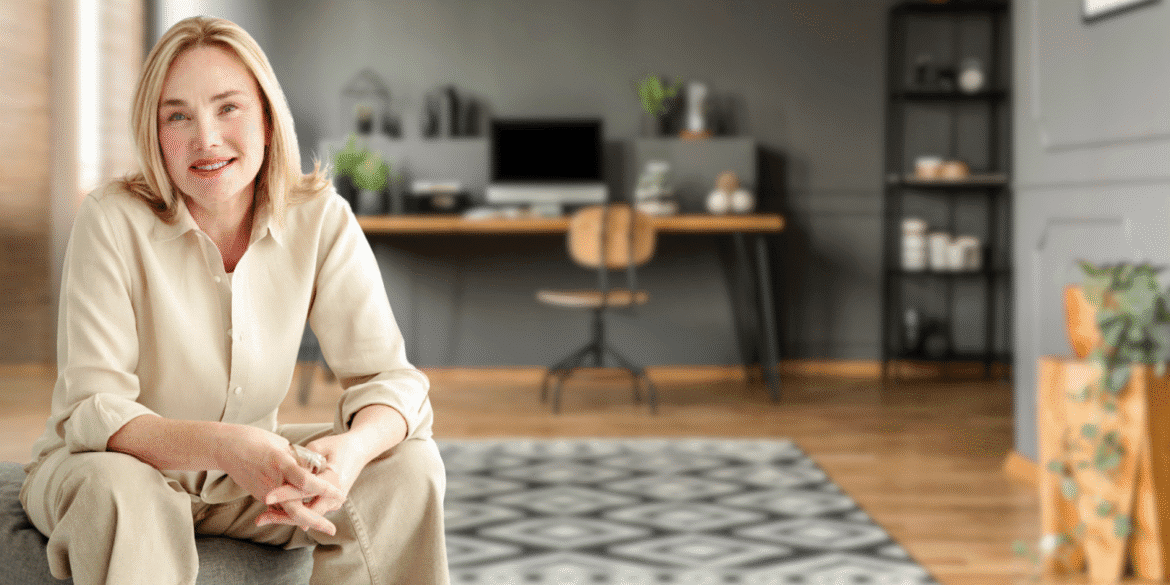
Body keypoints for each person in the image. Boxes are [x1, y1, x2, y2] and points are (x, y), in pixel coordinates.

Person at [19, 15, 449, 585]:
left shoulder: (319, 218)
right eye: (178, 116)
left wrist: (349, 453)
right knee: (121, 492)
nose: (207, 139)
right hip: (109, 469)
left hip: (244, 480)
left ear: (268, 120)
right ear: (155, 134)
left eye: (228, 107)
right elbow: (93, 410)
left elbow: (391, 380)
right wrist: (229, 448)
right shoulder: (110, 219)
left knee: (408, 466)